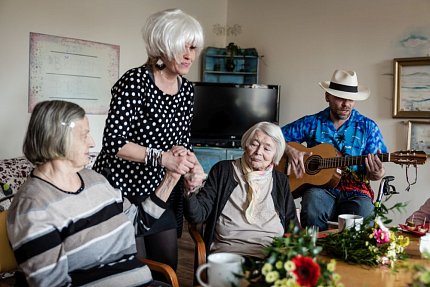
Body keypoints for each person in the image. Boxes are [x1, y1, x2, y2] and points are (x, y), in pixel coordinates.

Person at [7, 100, 180, 287]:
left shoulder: (95, 179)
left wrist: (171, 177)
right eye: (84, 135)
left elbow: (138, 223)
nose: (92, 143)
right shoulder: (34, 207)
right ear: (57, 138)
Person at [92, 8, 205, 271]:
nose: (190, 55)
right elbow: (114, 142)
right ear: (164, 46)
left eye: (193, 47)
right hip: (122, 191)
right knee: (138, 269)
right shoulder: (136, 81)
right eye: (182, 47)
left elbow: (182, 141)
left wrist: (192, 164)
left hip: (158, 193)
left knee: (167, 269)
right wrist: (163, 158)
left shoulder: (186, 90)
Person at [282, 69, 387, 231]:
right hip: (320, 188)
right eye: (340, 98)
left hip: (356, 190)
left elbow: (376, 170)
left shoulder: (368, 127)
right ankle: (315, 253)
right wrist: (288, 149)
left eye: (351, 99)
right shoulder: (312, 122)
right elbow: (273, 136)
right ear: (327, 97)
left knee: (365, 218)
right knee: (311, 208)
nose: (346, 104)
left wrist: (377, 174)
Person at [184, 122, 299, 259]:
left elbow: (292, 224)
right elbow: (198, 215)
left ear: (275, 154)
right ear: (245, 144)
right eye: (254, 144)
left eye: (267, 149)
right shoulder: (223, 171)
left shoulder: (280, 180)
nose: (258, 152)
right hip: (230, 253)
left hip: (272, 255)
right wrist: (189, 191)